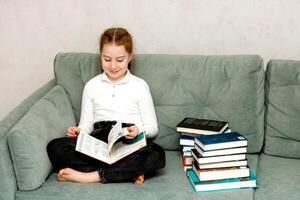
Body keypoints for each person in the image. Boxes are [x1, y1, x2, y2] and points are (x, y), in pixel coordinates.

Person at [47, 27, 165, 185]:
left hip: (128, 141)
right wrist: (79, 131)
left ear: (130, 57)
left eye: (120, 60)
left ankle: (91, 176)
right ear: (100, 57)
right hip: (98, 141)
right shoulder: (91, 86)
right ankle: (127, 172)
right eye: (107, 59)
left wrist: (137, 130)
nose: (113, 66)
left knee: (157, 154)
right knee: (55, 147)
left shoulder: (139, 86)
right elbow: (87, 124)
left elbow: (152, 127)